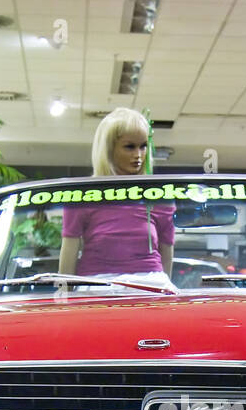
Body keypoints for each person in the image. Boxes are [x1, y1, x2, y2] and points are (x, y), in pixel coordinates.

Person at [58, 108, 174, 288]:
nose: (138, 155)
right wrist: (62, 300)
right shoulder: (83, 195)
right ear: (109, 149)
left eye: (143, 146)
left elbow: (167, 254)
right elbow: (68, 256)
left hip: (150, 285)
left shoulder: (158, 196)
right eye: (129, 147)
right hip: (97, 286)